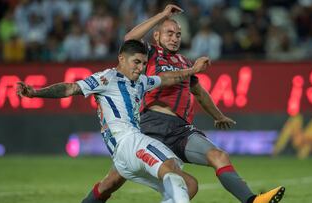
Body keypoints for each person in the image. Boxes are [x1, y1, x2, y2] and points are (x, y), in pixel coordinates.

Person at [82, 4, 285, 203]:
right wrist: (162, 15)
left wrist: (218, 116)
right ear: (157, 36)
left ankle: (252, 201)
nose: (174, 38)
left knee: (218, 156)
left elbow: (199, 92)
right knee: (111, 181)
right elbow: (130, 39)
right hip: (150, 127)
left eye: (178, 34)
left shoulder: (187, 62)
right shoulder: (149, 54)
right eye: (169, 33)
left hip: (181, 131)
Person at [17, 39, 212, 203]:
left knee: (189, 185)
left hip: (123, 157)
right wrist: (35, 93)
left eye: (144, 63)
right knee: (172, 171)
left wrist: (191, 70)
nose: (140, 68)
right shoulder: (107, 78)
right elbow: (69, 88)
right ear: (121, 59)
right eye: (136, 62)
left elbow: (166, 78)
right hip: (129, 141)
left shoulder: (141, 81)